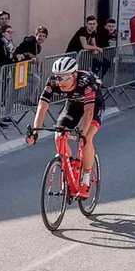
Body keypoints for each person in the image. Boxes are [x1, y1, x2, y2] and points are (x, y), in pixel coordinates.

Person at [25, 57, 103, 198]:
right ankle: (70, 164)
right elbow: (43, 106)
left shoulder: (86, 82)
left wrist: (83, 134)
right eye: (58, 77)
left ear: (74, 75)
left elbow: (88, 112)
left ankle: (86, 179)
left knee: (86, 138)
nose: (60, 82)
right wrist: (35, 131)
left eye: (65, 78)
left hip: (93, 106)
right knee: (59, 136)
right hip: (72, 105)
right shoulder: (53, 82)